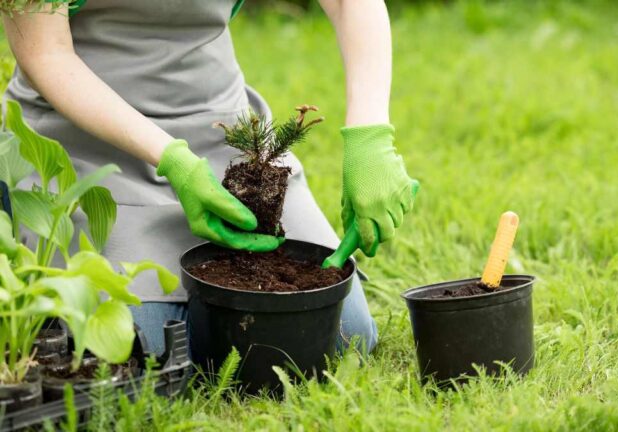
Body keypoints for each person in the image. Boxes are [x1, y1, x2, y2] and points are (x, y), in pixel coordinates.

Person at [2, 0, 417, 355]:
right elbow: (45, 54)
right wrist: (171, 159)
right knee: (144, 348)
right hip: (85, 139)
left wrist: (370, 138)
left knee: (341, 335)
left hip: (221, 134)